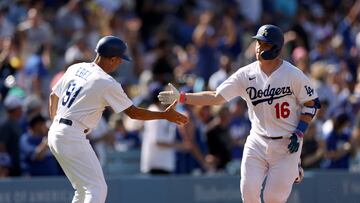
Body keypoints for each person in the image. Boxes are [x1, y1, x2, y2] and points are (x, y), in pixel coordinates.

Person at [158, 24, 320, 203]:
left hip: (287, 143)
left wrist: (299, 132)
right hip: (257, 140)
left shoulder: (292, 74)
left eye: (265, 44)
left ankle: (293, 167)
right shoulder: (246, 74)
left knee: (273, 198)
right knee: (248, 194)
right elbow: (217, 96)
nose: (259, 47)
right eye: (258, 42)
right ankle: (292, 170)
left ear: (276, 48)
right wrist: (182, 97)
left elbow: (311, 104)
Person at [47, 36, 188, 203]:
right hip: (72, 135)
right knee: (97, 189)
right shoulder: (106, 81)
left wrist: (57, 123)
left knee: (84, 190)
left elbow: (53, 95)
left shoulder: (76, 68)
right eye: (120, 59)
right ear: (112, 59)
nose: (120, 63)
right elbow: (133, 113)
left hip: (56, 131)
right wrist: (164, 115)